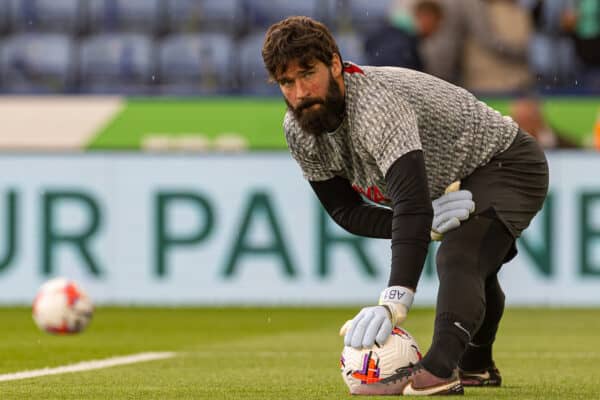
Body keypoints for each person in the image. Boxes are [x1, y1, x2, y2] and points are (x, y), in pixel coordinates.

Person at [261, 16, 548, 395]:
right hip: (447, 181)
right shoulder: (298, 128)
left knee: (459, 256)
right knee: (476, 263)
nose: (300, 93)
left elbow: (412, 205)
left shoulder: (376, 105)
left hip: (504, 161)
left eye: (307, 74)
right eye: (286, 82)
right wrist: (426, 226)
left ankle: (441, 369)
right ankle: (476, 364)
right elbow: (345, 211)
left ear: (335, 64)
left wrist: (394, 302)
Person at [364, 0, 444, 70]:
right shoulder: (401, 43)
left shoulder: (397, 37)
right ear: (427, 18)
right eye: (436, 24)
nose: (436, 29)